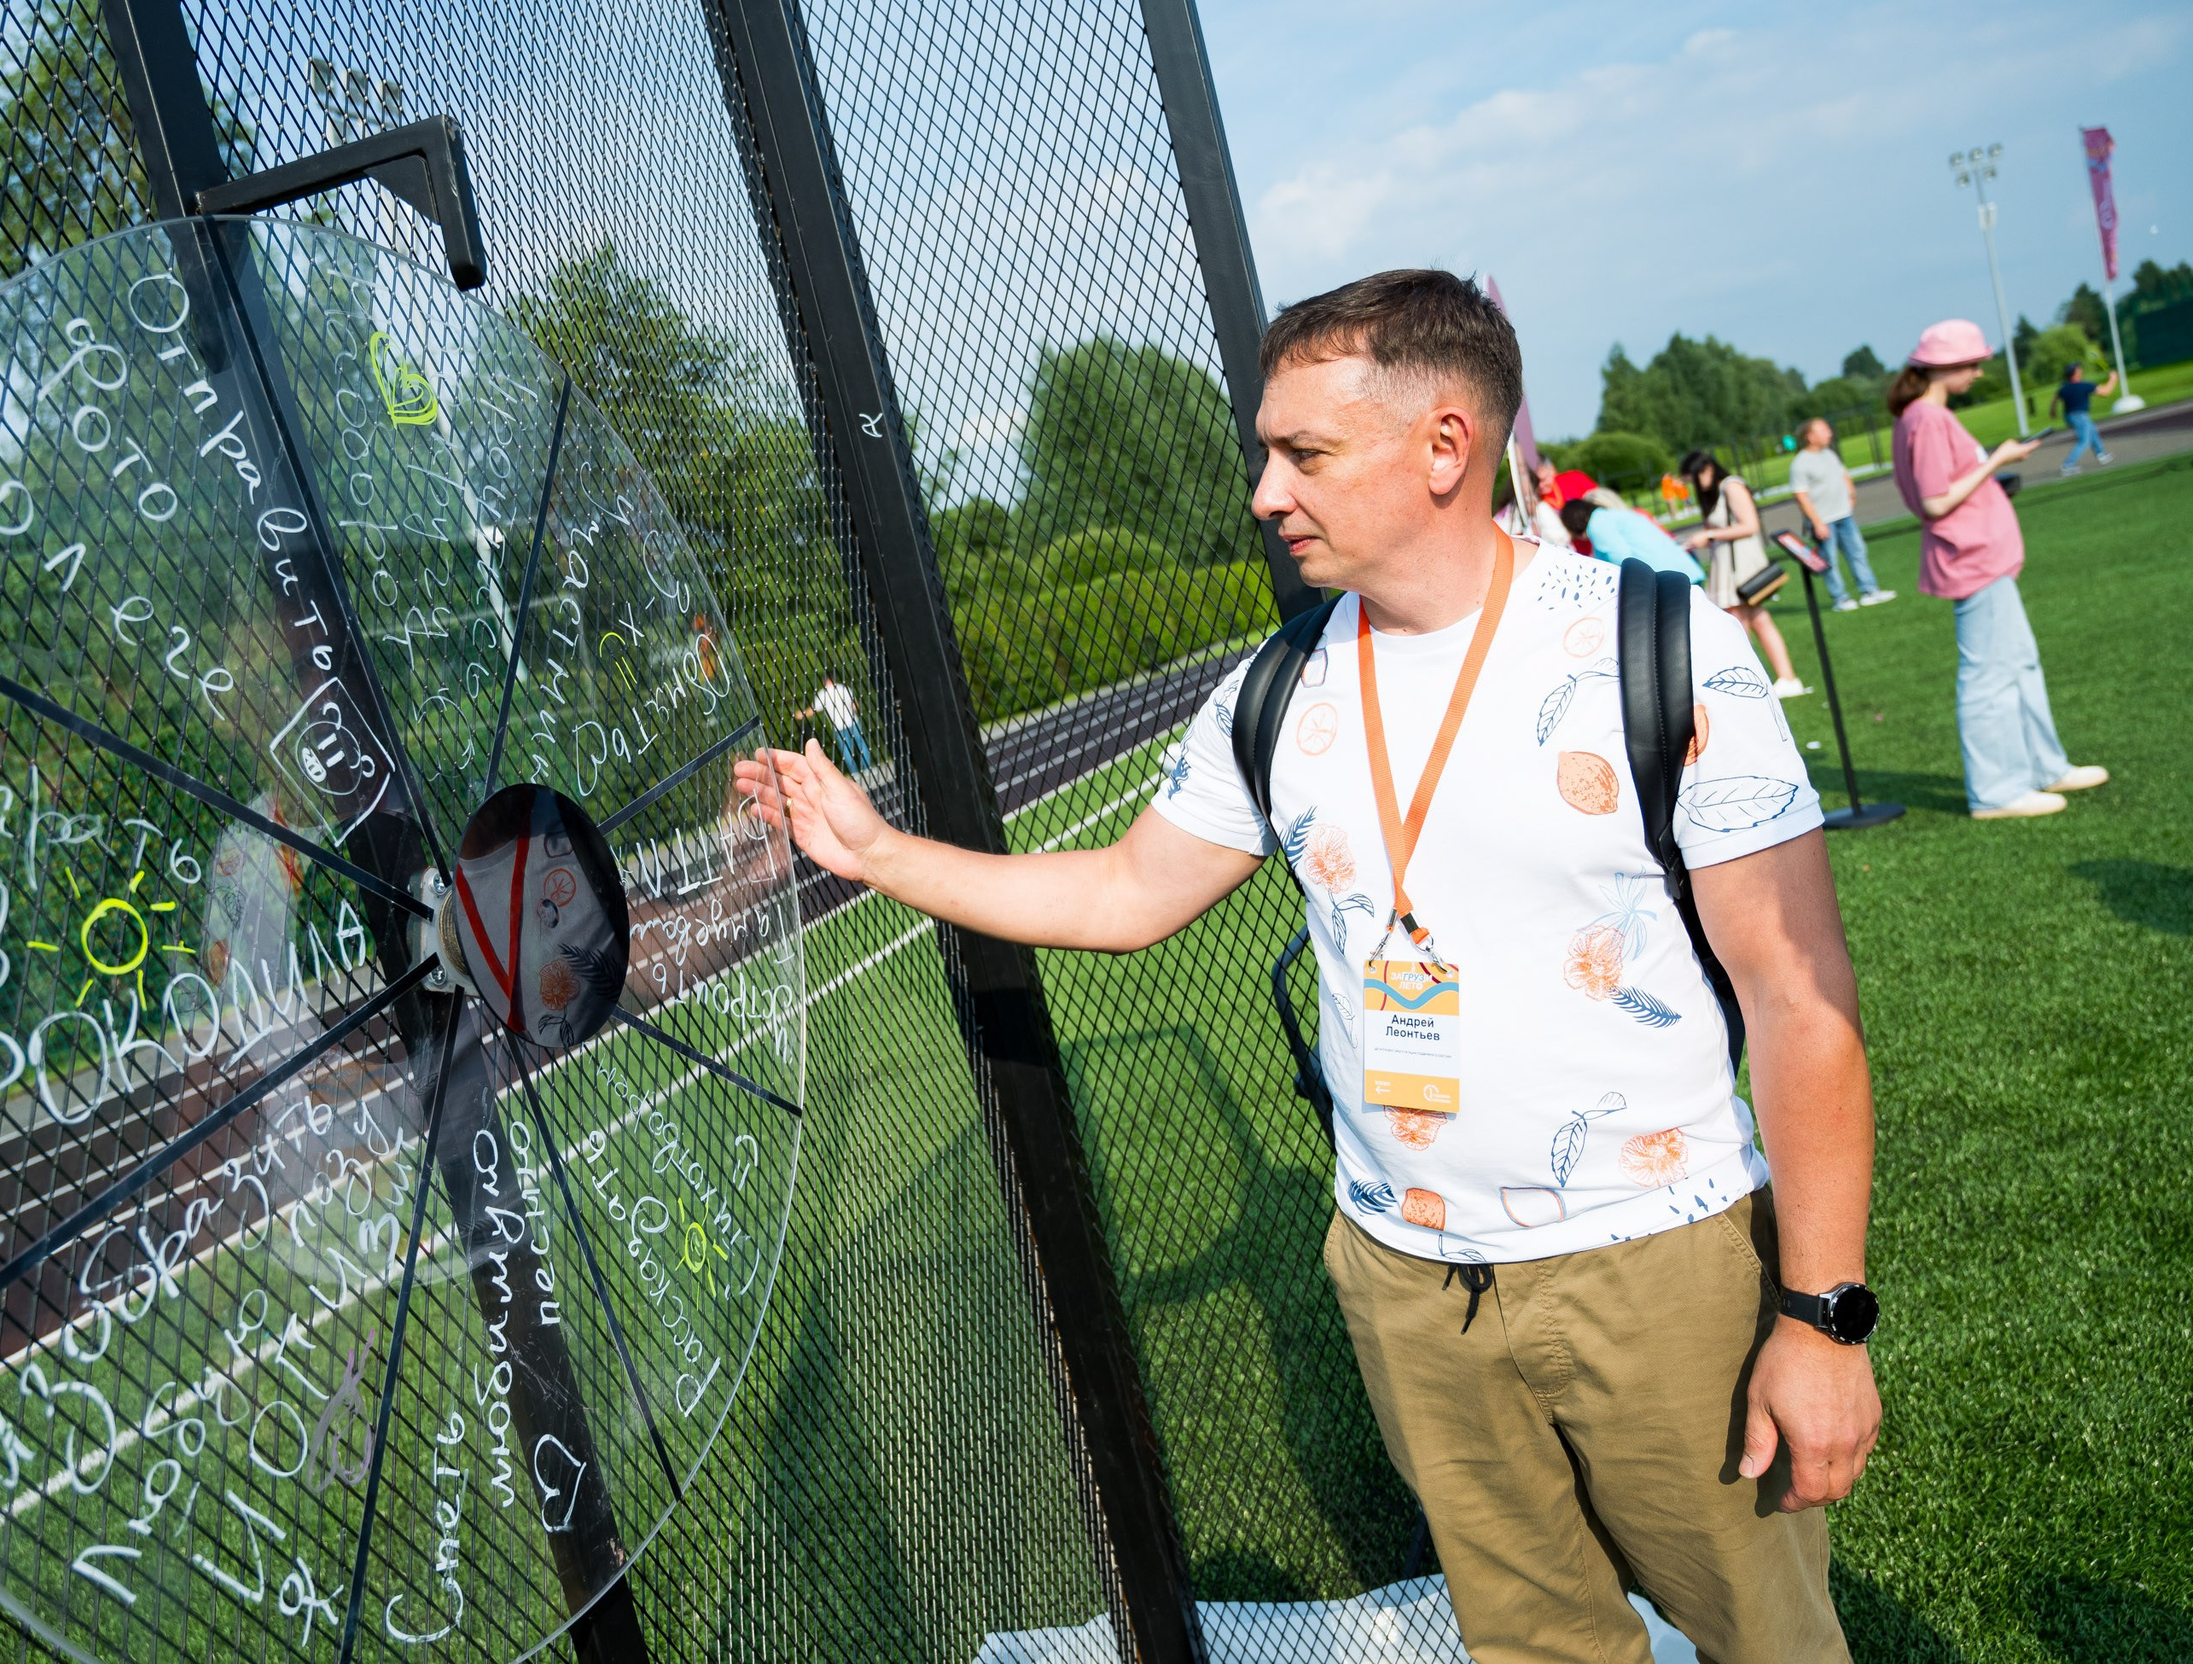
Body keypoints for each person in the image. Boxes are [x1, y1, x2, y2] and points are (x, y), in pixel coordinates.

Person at [740, 270, 1880, 1664]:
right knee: (1537, 1644)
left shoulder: (1659, 645)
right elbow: (1124, 890)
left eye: (1306, 453)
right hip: (1408, 1281)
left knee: (1767, 1638)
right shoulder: (1273, 691)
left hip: (1659, 1258)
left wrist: (1822, 1316)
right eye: (1267, 452)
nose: (1265, 492)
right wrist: (876, 852)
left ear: (1445, 445)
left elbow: (1798, 997)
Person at [1890, 320, 2108, 818]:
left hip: (1982, 558)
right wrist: (1997, 460)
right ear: (1942, 366)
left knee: (2019, 663)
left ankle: (2044, 766)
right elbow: (1935, 500)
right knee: (1989, 676)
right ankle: (1996, 791)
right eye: (1971, 363)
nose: (1978, 371)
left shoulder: (1923, 416)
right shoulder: (1927, 418)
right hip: (1972, 559)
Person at [1679, 450, 1808, 697]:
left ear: (1706, 469)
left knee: (1739, 620)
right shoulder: (1718, 491)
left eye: (1692, 479)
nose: (1693, 485)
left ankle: (1756, 681)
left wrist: (1710, 535)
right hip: (1728, 563)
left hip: (1740, 565)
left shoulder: (1731, 486)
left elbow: (1750, 525)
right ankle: (1784, 678)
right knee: (1756, 618)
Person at [1788, 419, 1893, 610]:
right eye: (1823, 430)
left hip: (1844, 516)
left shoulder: (1829, 454)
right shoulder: (1800, 463)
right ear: (1810, 437)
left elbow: (1843, 474)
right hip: (1824, 521)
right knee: (1830, 561)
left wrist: (1851, 495)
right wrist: (1817, 523)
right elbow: (1800, 496)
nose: (1829, 433)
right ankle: (1841, 599)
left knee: (1858, 552)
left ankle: (1869, 591)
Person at [1559, 494, 1704, 581]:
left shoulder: (1597, 524)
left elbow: (1623, 559)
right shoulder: (1609, 516)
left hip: (1671, 580)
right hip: (1681, 571)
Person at [793, 671, 872, 775]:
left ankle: (854, 773)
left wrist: (800, 714)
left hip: (838, 726)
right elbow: (854, 705)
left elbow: (812, 710)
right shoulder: (843, 688)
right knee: (861, 744)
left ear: (824, 681)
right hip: (852, 721)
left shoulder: (823, 694)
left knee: (846, 750)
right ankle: (867, 769)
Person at [2052, 362, 2117, 475]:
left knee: (2092, 431)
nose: (2081, 371)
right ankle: (2067, 465)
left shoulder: (2064, 387)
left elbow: (2055, 399)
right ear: (2075, 373)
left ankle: (2101, 454)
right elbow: (2106, 392)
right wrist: (2113, 379)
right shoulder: (2084, 385)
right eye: (2079, 370)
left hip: (2069, 416)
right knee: (2084, 441)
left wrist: (2052, 411)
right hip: (2080, 416)